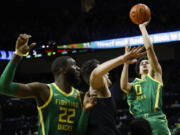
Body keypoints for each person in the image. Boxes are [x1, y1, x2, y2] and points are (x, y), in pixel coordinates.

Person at [0, 34, 96, 135]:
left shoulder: (80, 96)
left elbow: (79, 133)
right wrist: (18, 54)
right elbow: (3, 87)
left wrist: (86, 111)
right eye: (74, 65)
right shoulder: (43, 90)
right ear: (61, 69)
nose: (78, 68)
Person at [120, 20, 171, 135]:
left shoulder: (155, 77)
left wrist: (142, 27)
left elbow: (149, 49)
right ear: (138, 69)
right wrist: (126, 63)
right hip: (139, 123)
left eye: (147, 62)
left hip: (156, 120)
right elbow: (123, 86)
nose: (144, 63)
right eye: (142, 63)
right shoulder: (134, 84)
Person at [80, 46, 145, 135]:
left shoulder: (105, 91)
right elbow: (95, 73)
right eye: (103, 70)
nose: (107, 72)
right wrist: (123, 58)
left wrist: (125, 63)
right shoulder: (97, 89)